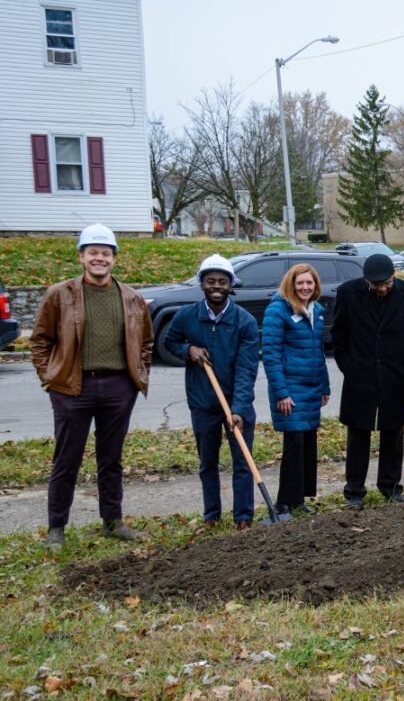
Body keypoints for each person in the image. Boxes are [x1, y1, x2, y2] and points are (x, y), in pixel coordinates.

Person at [31, 224, 152, 549]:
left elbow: (146, 343)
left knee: (110, 460)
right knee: (66, 460)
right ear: (82, 257)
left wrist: (135, 379)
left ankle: (112, 522)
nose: (100, 258)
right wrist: (51, 378)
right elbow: (40, 341)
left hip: (118, 388)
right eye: (93, 252)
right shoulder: (61, 295)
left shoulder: (132, 298)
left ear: (114, 258)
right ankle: (56, 528)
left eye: (106, 253)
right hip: (72, 388)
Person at [163, 255, 260, 529]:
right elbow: (170, 342)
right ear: (202, 284)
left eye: (222, 281)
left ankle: (243, 517)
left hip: (235, 402)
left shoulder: (244, 322)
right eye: (211, 281)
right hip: (203, 403)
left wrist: (239, 409)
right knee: (208, 463)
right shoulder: (187, 317)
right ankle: (212, 517)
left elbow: (246, 369)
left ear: (231, 285)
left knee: (242, 462)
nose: (217, 286)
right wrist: (188, 350)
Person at [331, 252, 404, 507]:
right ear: (366, 281)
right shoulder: (348, 293)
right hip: (360, 376)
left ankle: (391, 487)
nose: (382, 289)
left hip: (396, 376)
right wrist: (349, 367)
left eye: (386, 284)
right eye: (376, 285)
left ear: (394, 276)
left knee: (393, 433)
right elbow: (339, 334)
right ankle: (355, 492)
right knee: (358, 434)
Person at [260, 263, 331, 518]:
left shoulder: (317, 311)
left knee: (307, 445)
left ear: (315, 286)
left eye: (309, 283)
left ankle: (299, 500)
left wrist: (324, 386)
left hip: (311, 389)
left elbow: (319, 353)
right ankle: (282, 504)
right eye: (300, 283)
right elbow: (270, 355)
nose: (304, 287)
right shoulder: (277, 311)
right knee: (294, 445)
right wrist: (281, 393)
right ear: (291, 284)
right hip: (290, 390)